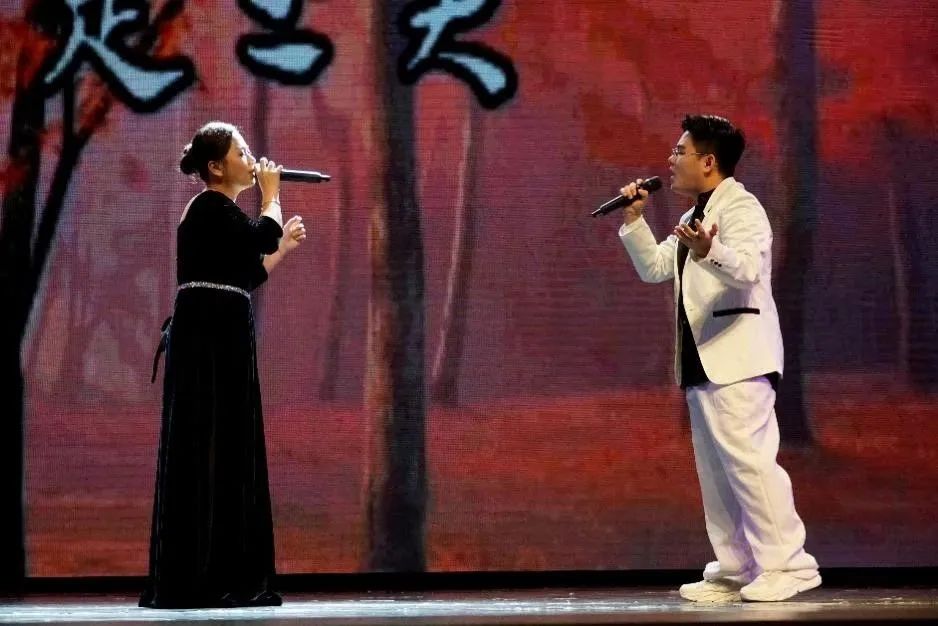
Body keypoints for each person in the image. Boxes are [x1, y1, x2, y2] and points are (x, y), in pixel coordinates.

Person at [618, 115, 820, 602]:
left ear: (708, 161)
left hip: (739, 359)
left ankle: (789, 565)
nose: (671, 160)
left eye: (680, 152)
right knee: (717, 475)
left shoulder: (742, 207)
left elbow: (748, 268)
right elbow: (656, 268)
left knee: (750, 464)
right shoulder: (695, 215)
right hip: (702, 361)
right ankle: (735, 568)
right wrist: (635, 221)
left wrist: (710, 249)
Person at [140, 121, 307, 608]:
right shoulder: (210, 207)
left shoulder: (223, 216)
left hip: (225, 330)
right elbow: (261, 235)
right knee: (204, 443)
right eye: (242, 153)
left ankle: (227, 574)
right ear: (216, 167)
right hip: (206, 337)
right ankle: (199, 576)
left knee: (231, 444)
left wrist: (283, 248)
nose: (251, 160)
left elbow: (246, 274)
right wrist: (272, 196)